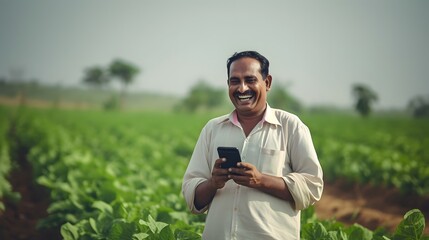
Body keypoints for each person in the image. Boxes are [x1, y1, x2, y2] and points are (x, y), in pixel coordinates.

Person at [182, 51, 323, 240]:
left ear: (267, 82)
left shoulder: (290, 126)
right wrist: (213, 183)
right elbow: (193, 198)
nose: (242, 88)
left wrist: (260, 180)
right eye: (234, 81)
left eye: (250, 80)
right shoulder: (213, 129)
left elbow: (312, 186)